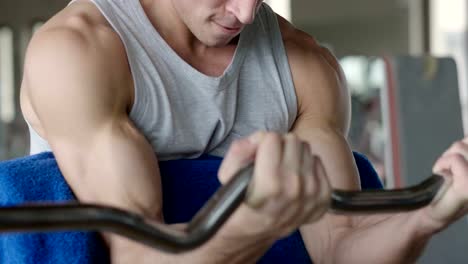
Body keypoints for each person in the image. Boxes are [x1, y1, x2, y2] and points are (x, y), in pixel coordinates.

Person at [18, 0, 468, 263]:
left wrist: (426, 217)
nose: (247, 13)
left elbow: (338, 247)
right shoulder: (79, 50)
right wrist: (256, 226)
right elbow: (139, 258)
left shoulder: (304, 65)